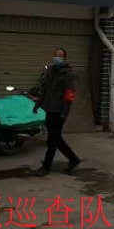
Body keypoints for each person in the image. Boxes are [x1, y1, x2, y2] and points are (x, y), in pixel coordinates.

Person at [31, 48, 80, 176]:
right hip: (50, 109)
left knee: (52, 139)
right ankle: (73, 159)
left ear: (64, 58)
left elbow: (69, 95)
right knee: (55, 138)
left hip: (59, 111)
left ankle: (46, 167)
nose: (57, 57)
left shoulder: (67, 74)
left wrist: (65, 113)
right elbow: (44, 89)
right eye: (56, 55)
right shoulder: (50, 72)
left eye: (60, 55)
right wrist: (38, 104)